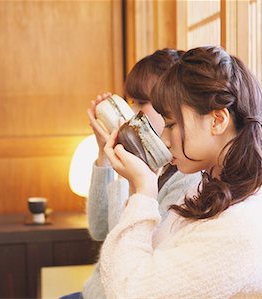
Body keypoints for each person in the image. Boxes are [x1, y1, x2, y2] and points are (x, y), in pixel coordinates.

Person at [99, 46, 262, 298]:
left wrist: (143, 190)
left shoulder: (242, 226)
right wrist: (137, 186)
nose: (164, 139)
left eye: (172, 124)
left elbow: (129, 292)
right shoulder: (206, 189)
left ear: (217, 120)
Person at [79, 49, 201, 299]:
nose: (132, 112)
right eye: (130, 102)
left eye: (141, 103)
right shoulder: (150, 162)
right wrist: (104, 152)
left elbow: (123, 247)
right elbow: (98, 228)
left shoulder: (187, 177)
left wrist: (131, 177)